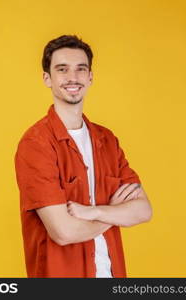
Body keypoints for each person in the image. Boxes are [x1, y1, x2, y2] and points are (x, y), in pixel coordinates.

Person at [14, 35, 152, 278]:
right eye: (62, 69)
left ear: (90, 77)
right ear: (47, 78)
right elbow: (63, 232)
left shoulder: (107, 140)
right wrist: (114, 211)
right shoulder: (36, 144)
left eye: (81, 69)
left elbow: (143, 210)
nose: (73, 77)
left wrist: (95, 212)